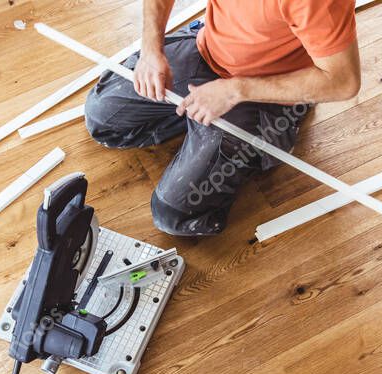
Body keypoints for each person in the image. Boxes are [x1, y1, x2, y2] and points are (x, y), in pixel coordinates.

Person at [84, 0, 361, 236]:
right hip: (209, 50)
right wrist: (150, 49)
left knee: (174, 213)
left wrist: (234, 90)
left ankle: (263, 130)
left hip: (267, 94)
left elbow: (343, 81)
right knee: (102, 119)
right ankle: (198, 118)